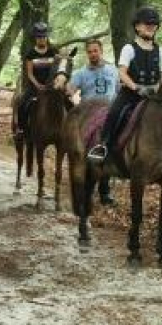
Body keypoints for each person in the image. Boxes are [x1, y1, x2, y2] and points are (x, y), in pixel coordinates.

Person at [88, 6, 162, 161]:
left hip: (153, 96)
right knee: (114, 113)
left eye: (154, 24)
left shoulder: (160, 51)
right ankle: (103, 146)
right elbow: (122, 73)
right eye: (147, 24)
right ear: (137, 26)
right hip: (131, 94)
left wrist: (157, 88)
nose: (151, 27)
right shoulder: (129, 48)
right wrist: (137, 88)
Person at [67, 39, 119, 203]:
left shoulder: (113, 70)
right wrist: (68, 90)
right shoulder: (81, 73)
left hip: (110, 112)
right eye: (89, 52)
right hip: (89, 113)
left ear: (101, 51)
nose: (92, 54)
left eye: (95, 51)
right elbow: (71, 90)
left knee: (112, 146)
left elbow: (118, 90)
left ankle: (105, 191)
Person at [16, 22, 59, 136]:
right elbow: (30, 74)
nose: (42, 39)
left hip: (51, 86)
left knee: (67, 101)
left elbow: (57, 69)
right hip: (35, 86)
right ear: (35, 38)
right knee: (22, 103)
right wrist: (38, 85)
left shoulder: (53, 51)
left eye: (44, 36)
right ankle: (21, 129)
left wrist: (53, 83)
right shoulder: (30, 53)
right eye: (39, 37)